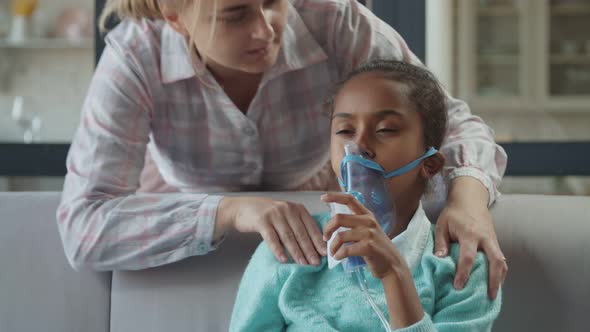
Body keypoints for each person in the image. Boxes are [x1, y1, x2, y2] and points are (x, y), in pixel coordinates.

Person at [56, 0, 507, 299]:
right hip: (185, 220)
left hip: (322, 208)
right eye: (235, 15)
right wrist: (229, 212)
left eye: (273, 1)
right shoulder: (136, 58)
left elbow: (453, 122)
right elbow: (84, 226)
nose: (265, 29)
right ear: (175, 16)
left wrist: (469, 200)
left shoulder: (332, 18)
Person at [229, 59, 502, 332]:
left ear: (429, 164)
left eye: (385, 130)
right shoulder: (288, 251)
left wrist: (394, 276)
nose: (358, 146)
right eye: (345, 131)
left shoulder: (462, 266)